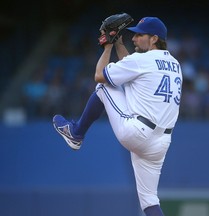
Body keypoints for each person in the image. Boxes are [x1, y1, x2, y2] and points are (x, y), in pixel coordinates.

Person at [53, 16, 183, 216]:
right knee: (149, 201)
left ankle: (76, 133)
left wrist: (107, 48)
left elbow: (100, 75)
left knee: (103, 88)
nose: (134, 38)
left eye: (140, 35)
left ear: (154, 38)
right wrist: (119, 44)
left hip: (138, 132)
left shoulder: (141, 60)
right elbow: (132, 68)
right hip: (161, 143)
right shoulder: (175, 64)